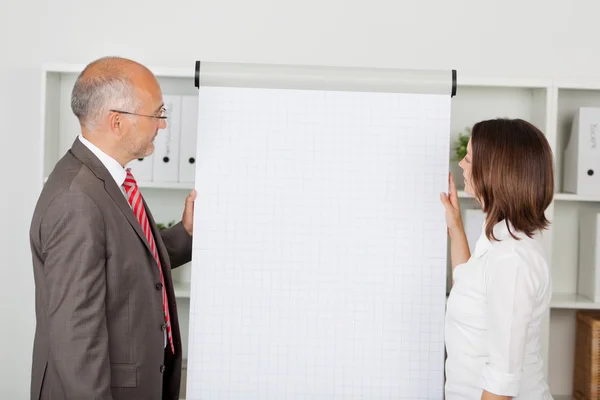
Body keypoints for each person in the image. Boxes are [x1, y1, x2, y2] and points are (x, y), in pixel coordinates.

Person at [29, 56, 197, 400]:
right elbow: (75, 338)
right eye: (157, 114)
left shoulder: (106, 180)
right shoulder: (77, 199)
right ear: (117, 122)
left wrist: (187, 233)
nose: (162, 126)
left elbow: (127, 261)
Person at [440, 118, 554, 400]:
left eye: (468, 159)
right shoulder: (497, 239)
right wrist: (455, 225)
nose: (462, 166)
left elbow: (503, 379)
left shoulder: (512, 258)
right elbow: (469, 284)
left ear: (494, 172)